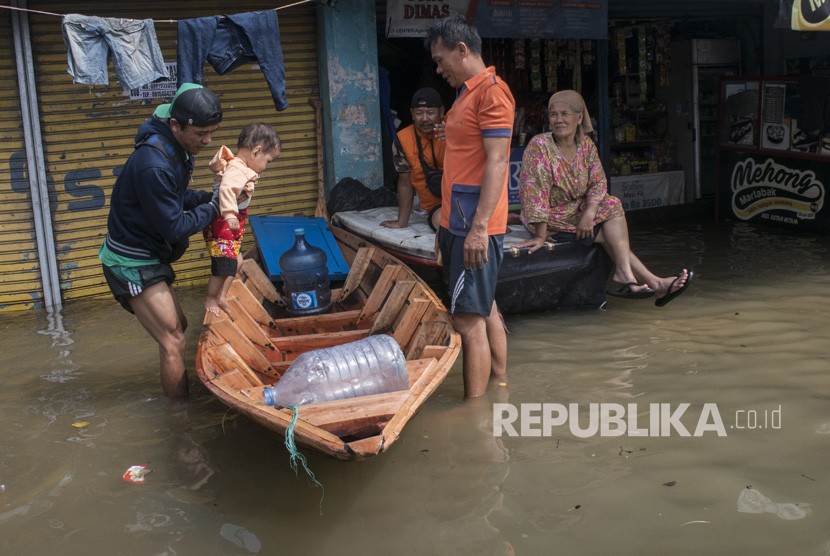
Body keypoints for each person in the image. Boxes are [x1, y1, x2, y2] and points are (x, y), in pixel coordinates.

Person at [99, 83, 223, 398]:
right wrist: (213, 208)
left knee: (179, 324)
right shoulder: (152, 165)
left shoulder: (176, 148)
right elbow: (174, 227)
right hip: (131, 261)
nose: (207, 141)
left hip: (150, 255)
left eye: (212, 133)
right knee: (173, 340)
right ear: (174, 125)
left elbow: (175, 197)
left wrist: (210, 198)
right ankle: (180, 425)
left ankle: (179, 391)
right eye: (201, 134)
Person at [514, 89, 694, 306]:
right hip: (549, 218)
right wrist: (540, 236)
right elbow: (536, 192)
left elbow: (598, 182)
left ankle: (633, 278)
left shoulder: (586, 145)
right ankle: (652, 283)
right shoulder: (540, 146)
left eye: (565, 114)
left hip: (578, 213)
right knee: (605, 234)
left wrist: (589, 214)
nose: (558, 119)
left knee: (612, 203)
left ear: (579, 118)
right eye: (553, 114)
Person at [425, 15, 515, 399]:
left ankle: (474, 413)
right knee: (485, 306)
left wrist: (478, 229)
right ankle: (499, 382)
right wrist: (445, 229)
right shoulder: (466, 93)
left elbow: (497, 162)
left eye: (440, 58)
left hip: (472, 225)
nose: (438, 68)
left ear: (462, 50)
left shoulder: (492, 92)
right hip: (456, 221)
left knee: (466, 321)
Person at [203, 123, 281, 317]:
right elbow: (227, 189)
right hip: (223, 222)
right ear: (256, 152)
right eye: (268, 161)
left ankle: (221, 295)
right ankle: (211, 297)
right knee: (224, 262)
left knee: (236, 262)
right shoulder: (238, 169)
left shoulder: (239, 167)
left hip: (230, 221)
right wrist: (229, 214)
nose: (266, 167)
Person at [381, 87, 446, 231]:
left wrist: (456, 135)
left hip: (465, 198)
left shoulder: (455, 128)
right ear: (412, 114)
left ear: (441, 112)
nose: (424, 119)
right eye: (419, 113)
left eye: (430, 112)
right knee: (442, 221)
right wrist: (401, 222)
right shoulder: (402, 139)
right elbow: (405, 183)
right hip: (436, 206)